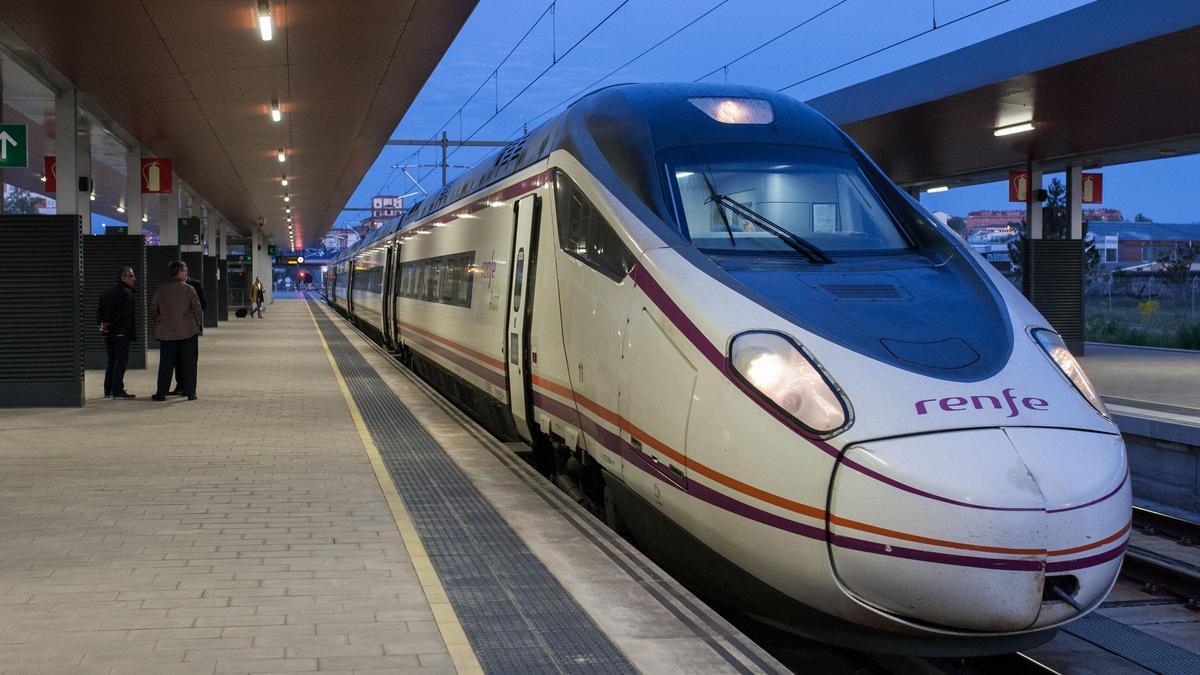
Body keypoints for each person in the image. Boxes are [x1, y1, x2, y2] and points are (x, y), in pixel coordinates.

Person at [151, 260, 202, 401]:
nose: (186, 273)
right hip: (188, 332)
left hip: (167, 333)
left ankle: (161, 393)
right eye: (185, 270)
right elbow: (197, 309)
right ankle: (190, 392)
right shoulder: (189, 289)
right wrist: (198, 325)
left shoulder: (161, 289)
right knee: (189, 363)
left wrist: (159, 320)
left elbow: (153, 308)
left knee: (166, 364)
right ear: (179, 272)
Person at [97, 265, 138, 399]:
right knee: (120, 361)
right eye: (131, 276)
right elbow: (125, 315)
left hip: (108, 333)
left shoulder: (106, 291)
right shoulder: (127, 293)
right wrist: (117, 327)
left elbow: (99, 312)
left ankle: (107, 389)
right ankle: (117, 390)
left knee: (111, 360)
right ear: (123, 277)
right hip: (121, 333)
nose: (134, 279)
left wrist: (105, 327)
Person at [169, 273, 207, 395]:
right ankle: (180, 385)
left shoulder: (194, 285)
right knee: (177, 359)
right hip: (174, 329)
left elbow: (202, 305)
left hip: (190, 329)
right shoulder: (169, 286)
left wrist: (197, 322)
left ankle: (189, 389)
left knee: (190, 359)